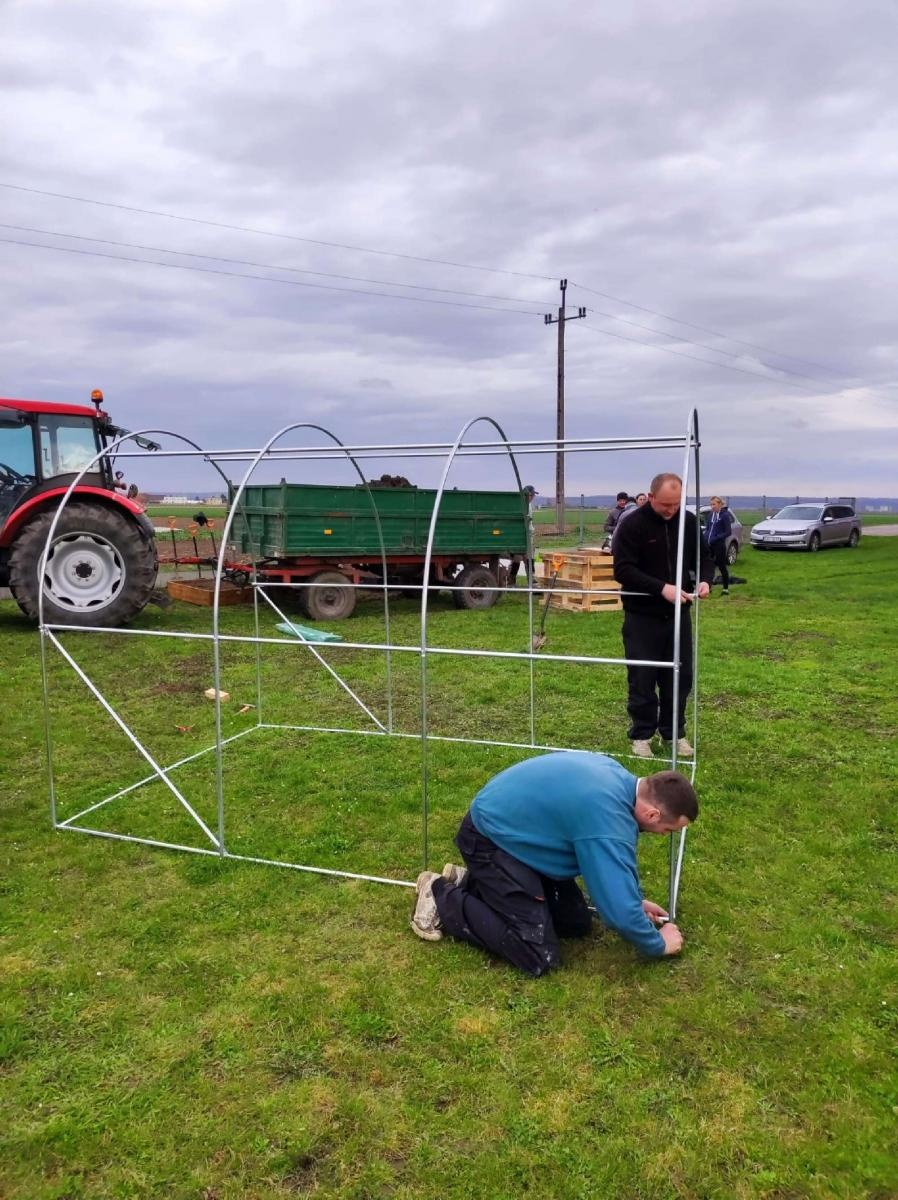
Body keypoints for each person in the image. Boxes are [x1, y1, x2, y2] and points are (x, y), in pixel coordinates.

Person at [409, 751, 696, 976]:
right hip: (489, 839)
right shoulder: (608, 817)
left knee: (576, 923)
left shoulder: (618, 780)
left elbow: (613, 867)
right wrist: (658, 944)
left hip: (519, 840)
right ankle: (439, 895)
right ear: (653, 814)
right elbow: (618, 914)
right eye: (668, 830)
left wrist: (635, 901)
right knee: (536, 953)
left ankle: (472, 882)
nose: (663, 835)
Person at [612, 473, 713, 759]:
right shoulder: (632, 524)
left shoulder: (688, 522)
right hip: (642, 615)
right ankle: (642, 735)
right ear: (651, 496)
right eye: (665, 504)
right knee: (642, 676)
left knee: (679, 677)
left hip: (677, 615)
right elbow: (623, 570)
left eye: (676, 504)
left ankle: (674, 733)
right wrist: (661, 589)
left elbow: (704, 557)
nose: (671, 510)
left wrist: (705, 579)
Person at [507, 484, 538, 589]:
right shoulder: (522, 504)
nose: (533, 497)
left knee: (528, 559)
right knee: (518, 559)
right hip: (522, 536)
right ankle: (511, 582)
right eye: (532, 495)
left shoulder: (527, 505)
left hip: (526, 535)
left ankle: (531, 581)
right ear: (528, 495)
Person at [706, 495, 734, 595]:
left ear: (719, 504)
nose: (712, 506)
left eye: (714, 504)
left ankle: (725, 589)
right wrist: (705, 538)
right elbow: (708, 529)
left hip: (719, 545)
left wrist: (716, 537)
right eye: (711, 504)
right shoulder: (710, 515)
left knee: (721, 566)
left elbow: (728, 532)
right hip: (709, 545)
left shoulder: (724, 515)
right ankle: (708, 588)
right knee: (709, 566)